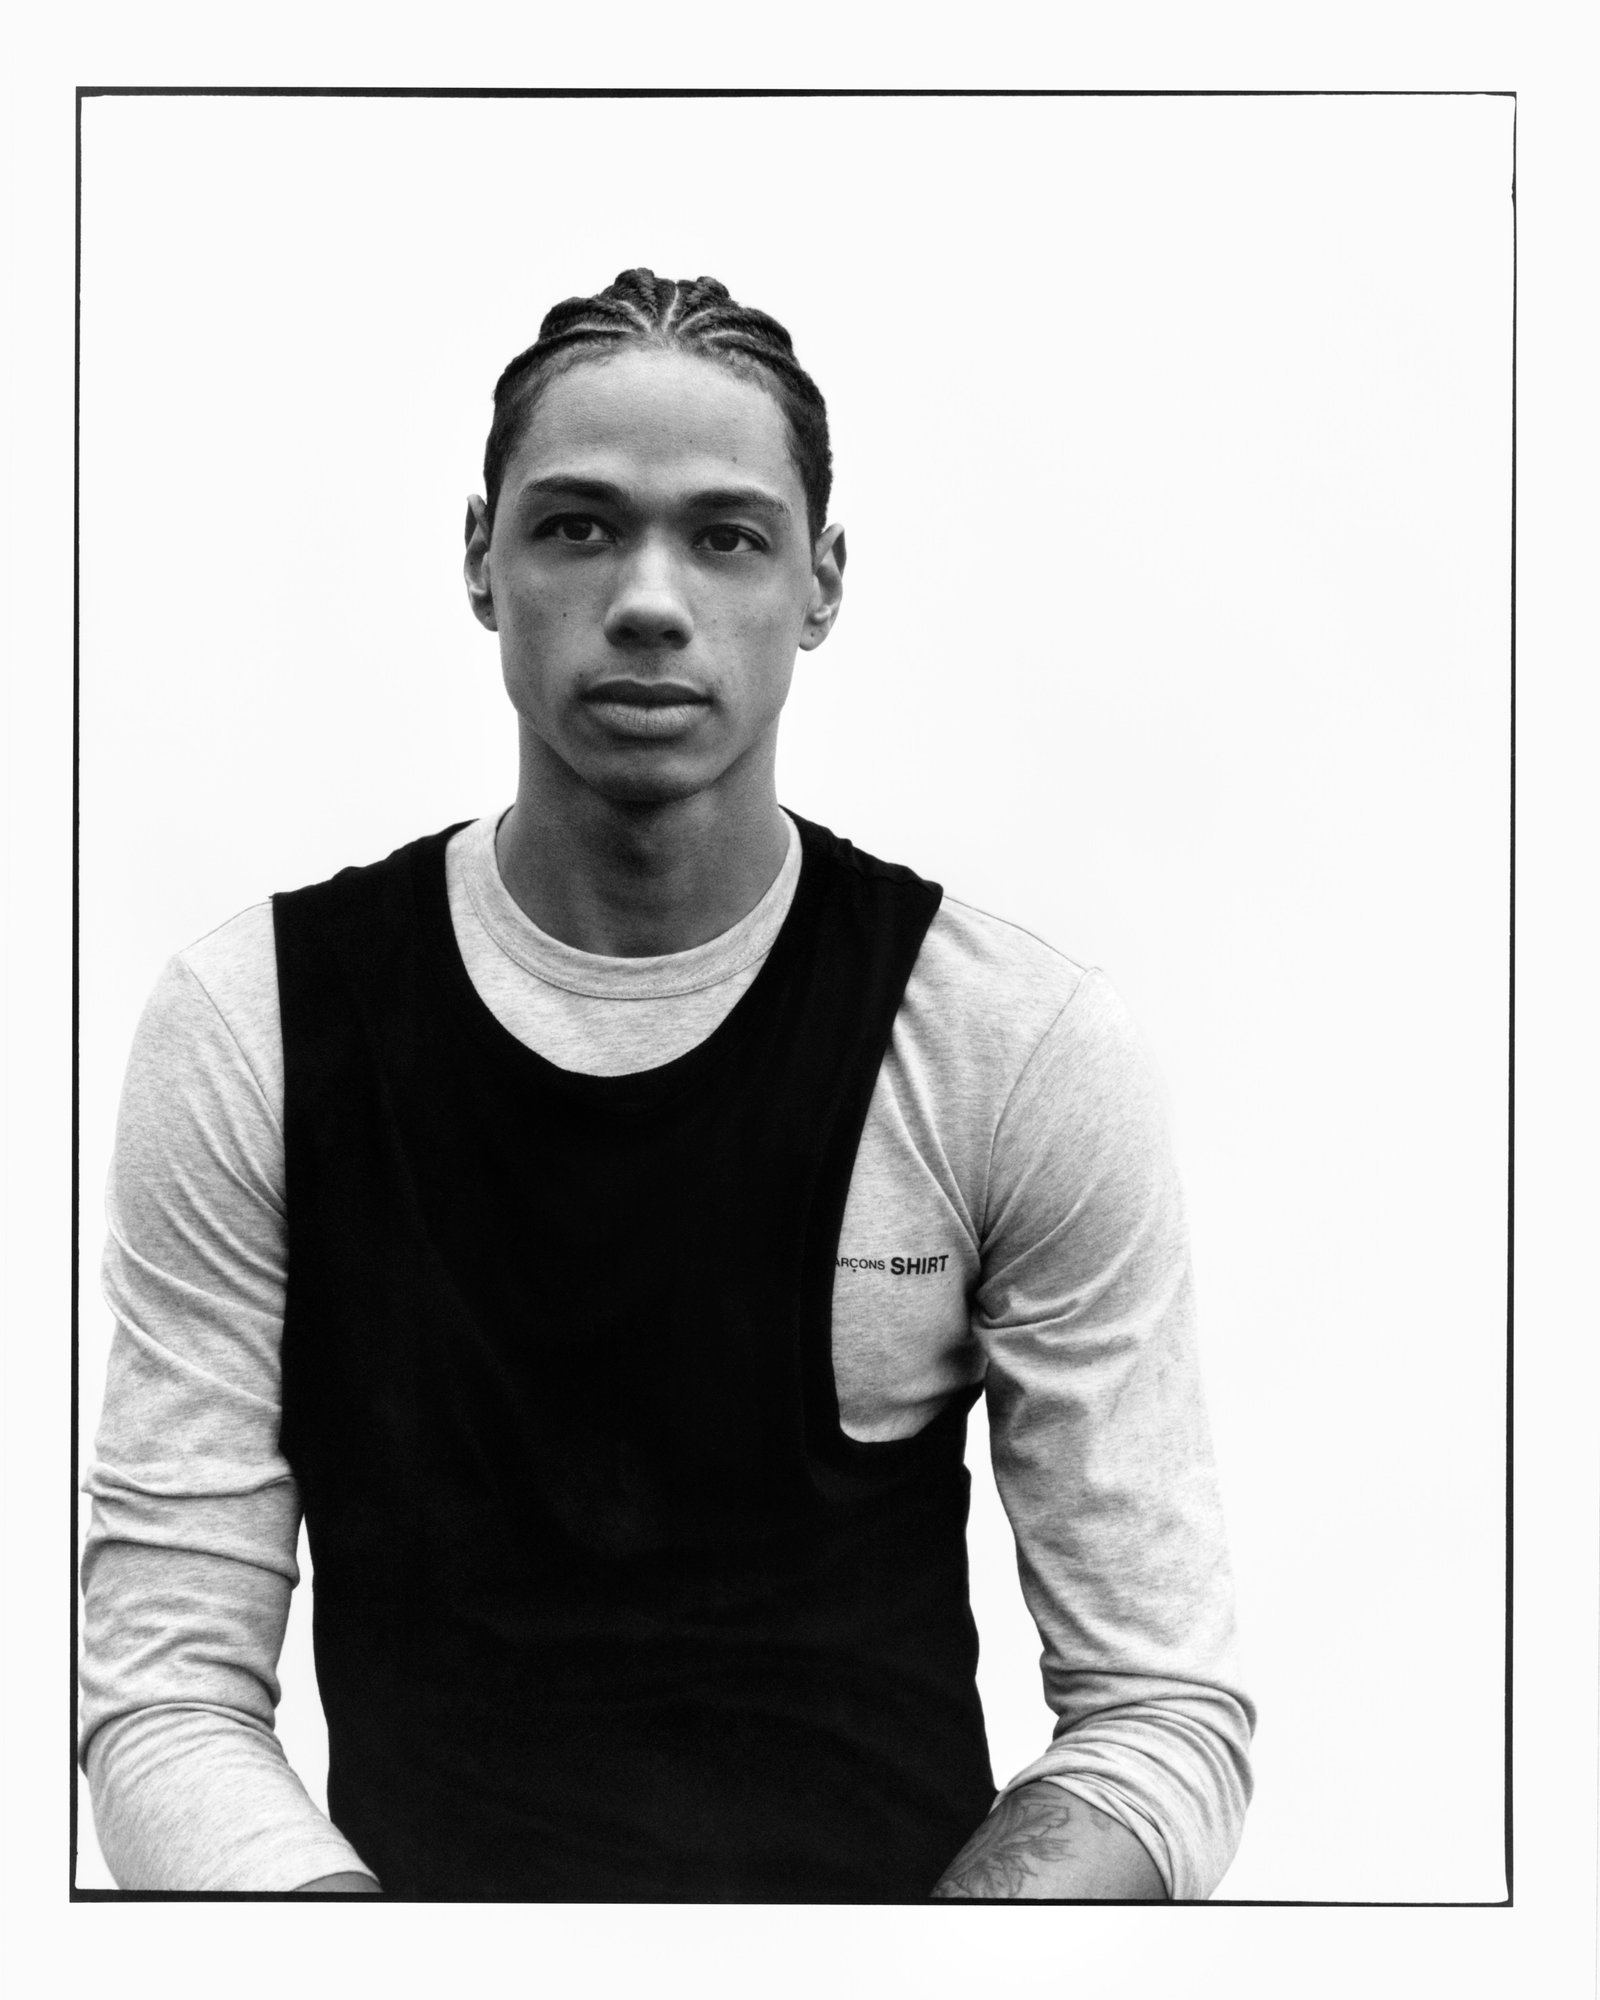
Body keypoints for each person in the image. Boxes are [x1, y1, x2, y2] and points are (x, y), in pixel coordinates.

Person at [79, 268, 1254, 1901]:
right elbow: (166, 1690)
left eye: (725, 536)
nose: (647, 598)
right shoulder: (257, 1024)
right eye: (577, 527)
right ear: (480, 558)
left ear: (821, 581)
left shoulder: (1013, 1044)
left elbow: (1160, 1713)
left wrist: (930, 1982)